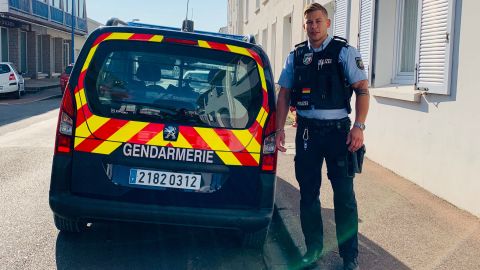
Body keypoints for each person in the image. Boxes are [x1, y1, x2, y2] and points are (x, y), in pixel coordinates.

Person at [275, 3, 370, 270]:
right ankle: (313, 249)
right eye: (309, 23)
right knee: (308, 194)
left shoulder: (344, 52)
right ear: (304, 26)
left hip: (340, 134)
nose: (314, 27)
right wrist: (280, 129)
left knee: (344, 196)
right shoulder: (296, 56)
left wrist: (359, 127)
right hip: (307, 132)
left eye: (318, 21)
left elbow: (362, 89)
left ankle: (349, 257)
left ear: (327, 23)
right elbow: (283, 94)